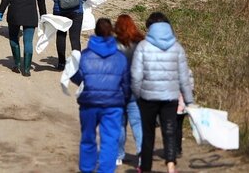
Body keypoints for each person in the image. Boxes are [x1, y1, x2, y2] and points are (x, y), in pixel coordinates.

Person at [131, 12, 194, 173]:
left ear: (150, 28)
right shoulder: (177, 47)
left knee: (148, 133)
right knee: (170, 131)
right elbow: (184, 77)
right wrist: (189, 100)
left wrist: (138, 94)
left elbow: (136, 75)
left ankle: (145, 168)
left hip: (147, 97)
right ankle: (171, 166)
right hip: (170, 97)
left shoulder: (143, 47)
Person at [70, 18, 130, 173]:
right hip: (113, 105)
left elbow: (75, 76)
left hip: (89, 103)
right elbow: (126, 83)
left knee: (88, 138)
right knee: (110, 141)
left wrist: (85, 83)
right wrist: (124, 99)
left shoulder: (85, 55)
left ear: (95, 32)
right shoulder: (120, 57)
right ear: (111, 33)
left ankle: (87, 169)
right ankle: (106, 170)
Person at [114, 14, 145, 167]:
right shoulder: (140, 43)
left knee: (120, 125)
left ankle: (119, 155)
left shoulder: (113, 45)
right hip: (135, 89)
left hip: (118, 90)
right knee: (137, 124)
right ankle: (141, 155)